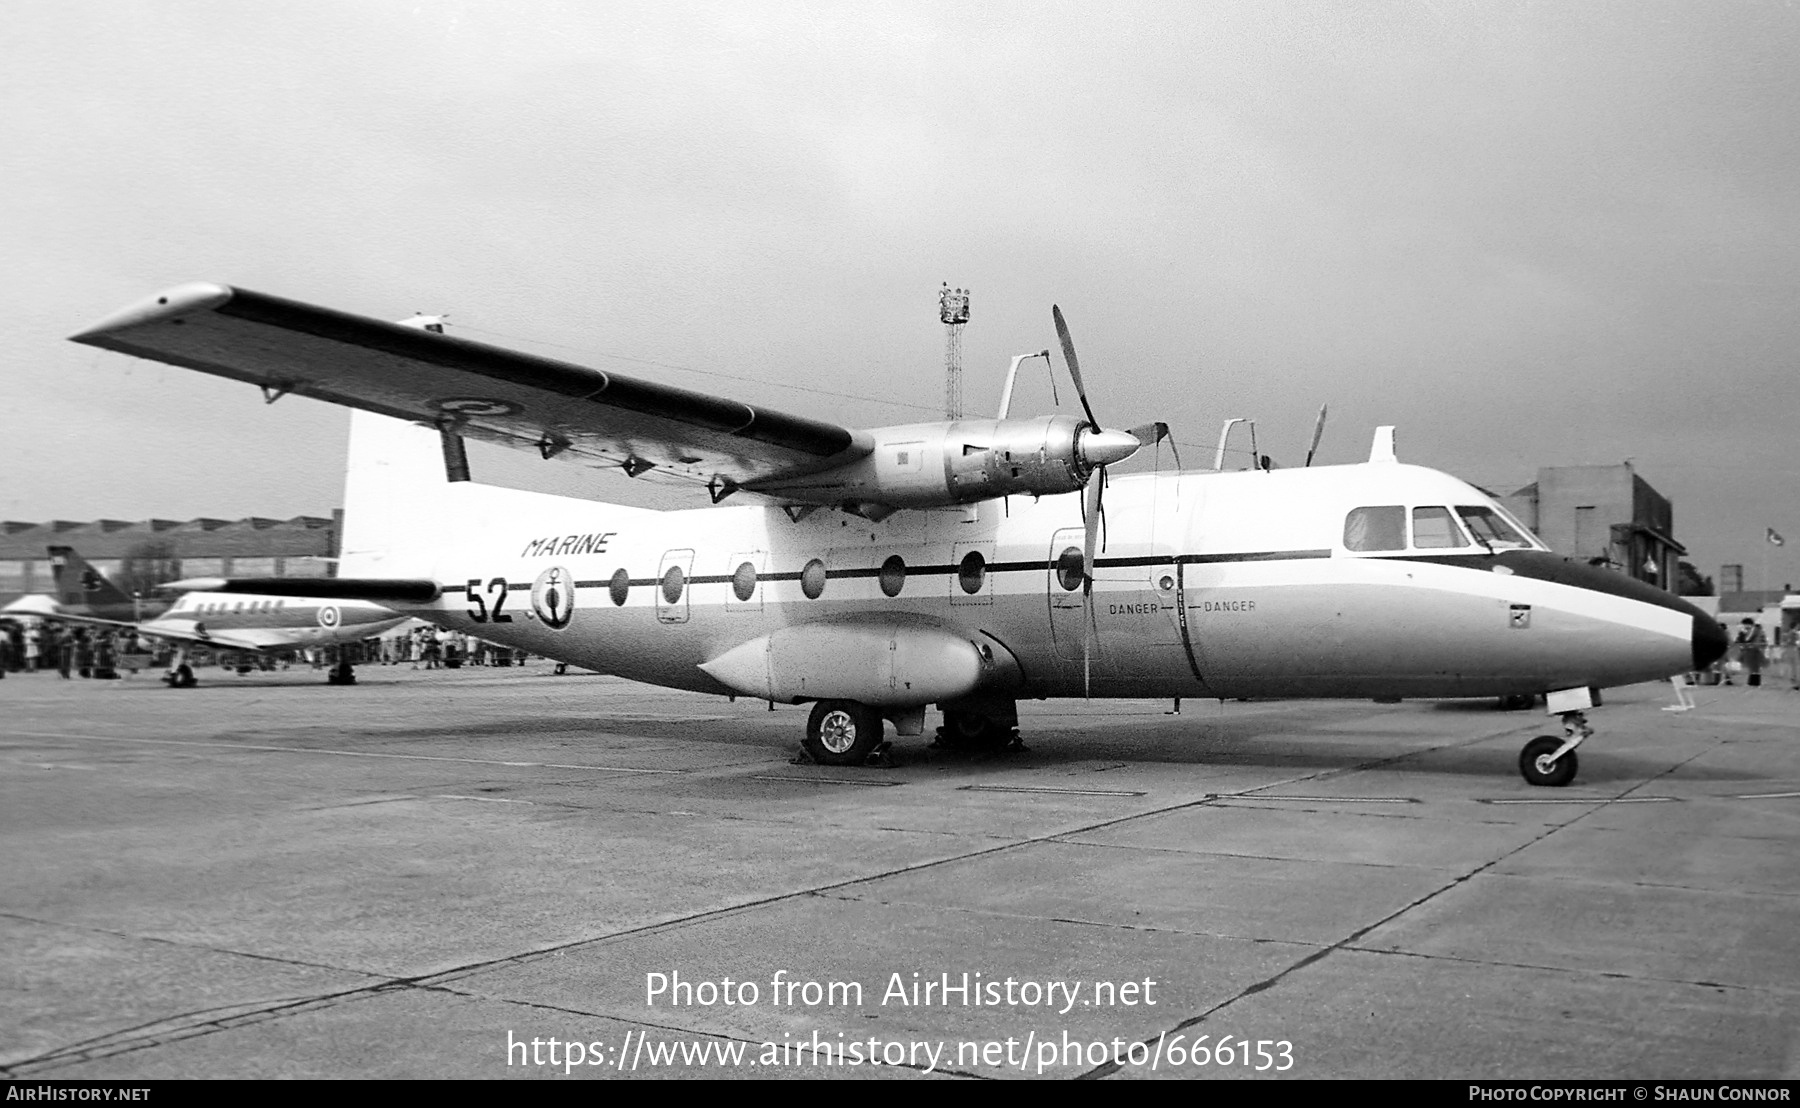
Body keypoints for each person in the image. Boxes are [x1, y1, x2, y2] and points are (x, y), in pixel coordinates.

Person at [1736, 618, 1767, 688]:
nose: (1744, 626)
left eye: (1745, 624)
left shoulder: (1756, 631)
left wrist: (1750, 645)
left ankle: (1756, 682)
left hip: (1755, 650)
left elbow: (1757, 641)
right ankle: (1752, 682)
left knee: (1755, 667)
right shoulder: (1747, 631)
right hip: (1749, 650)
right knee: (1751, 667)